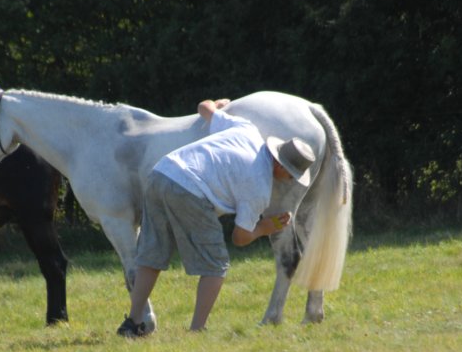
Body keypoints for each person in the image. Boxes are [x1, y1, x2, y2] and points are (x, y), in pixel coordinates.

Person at [117, 98, 315, 336]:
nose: (291, 180)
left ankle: (133, 322)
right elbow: (240, 237)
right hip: (191, 190)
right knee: (215, 266)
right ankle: (197, 330)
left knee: (151, 255)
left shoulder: (247, 131)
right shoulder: (259, 187)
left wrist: (218, 104)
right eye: (293, 175)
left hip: (161, 172)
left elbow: (203, 107)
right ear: (281, 167)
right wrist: (265, 227)